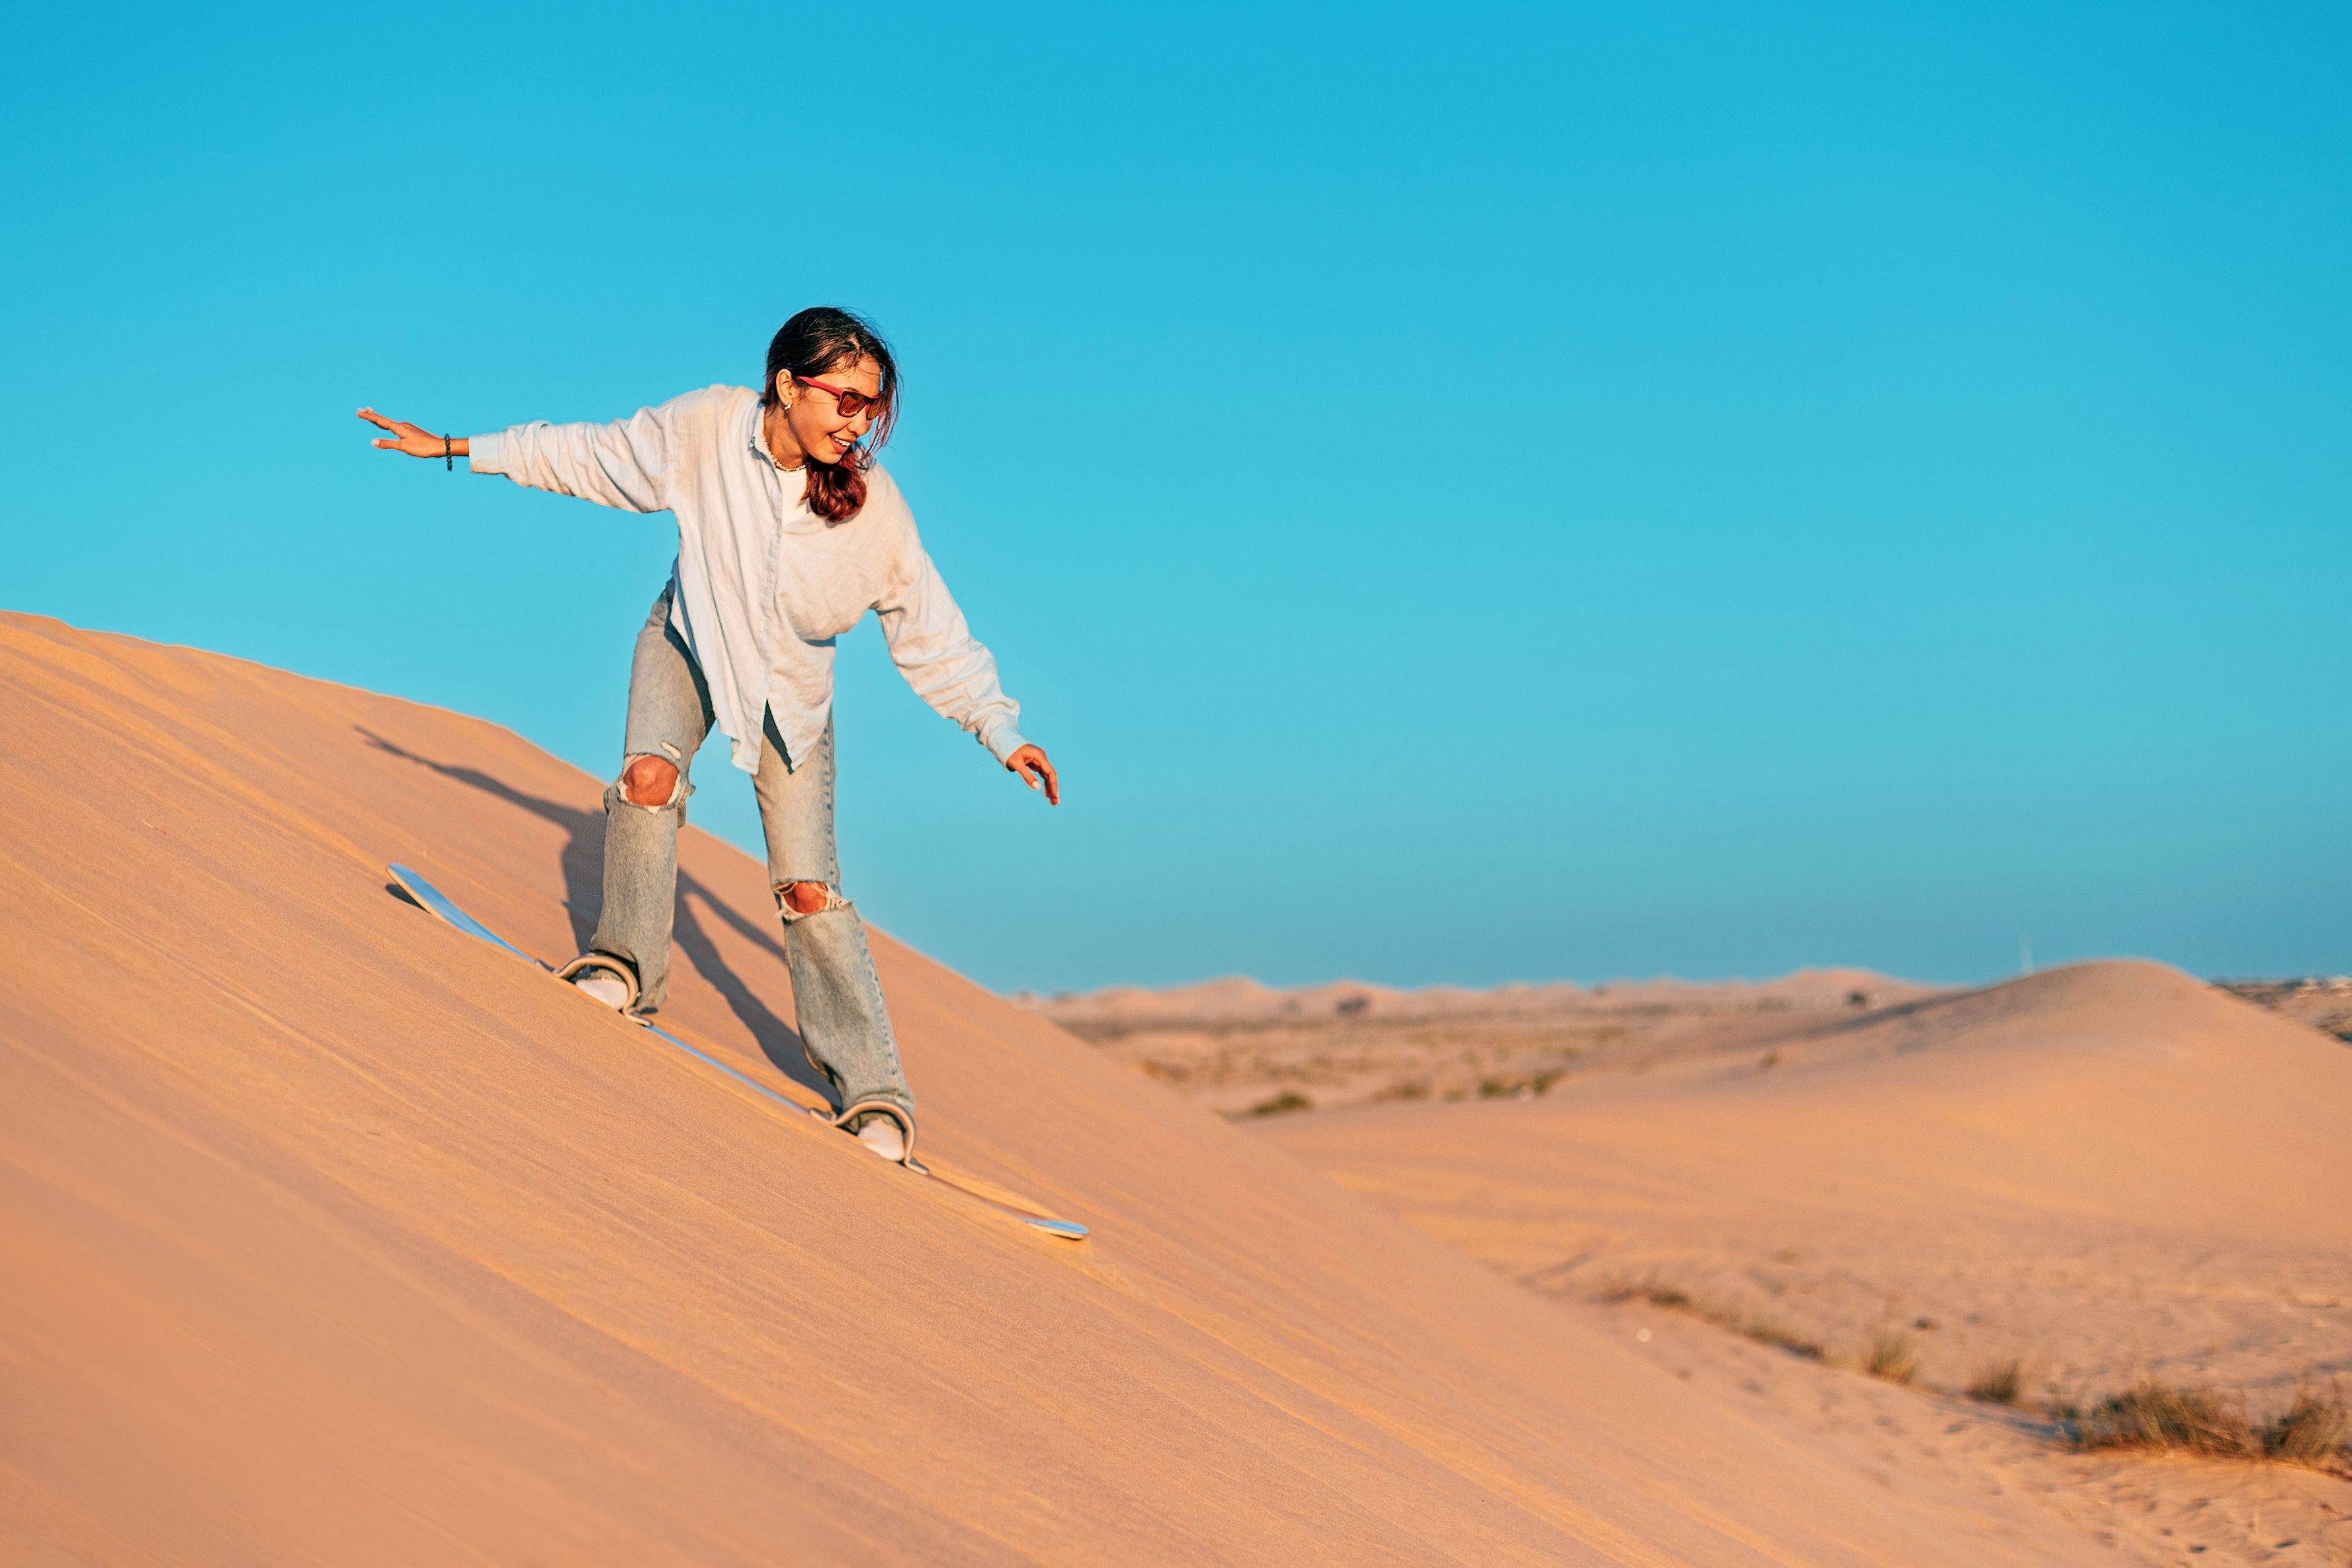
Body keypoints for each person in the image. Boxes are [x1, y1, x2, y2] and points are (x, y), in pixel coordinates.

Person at [359, 306, 1057, 1164]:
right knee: (648, 776)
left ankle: (876, 1096)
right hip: (687, 641)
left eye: (871, 407)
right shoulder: (707, 429)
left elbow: (932, 631)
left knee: (807, 888)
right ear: (788, 384)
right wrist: (461, 448)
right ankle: (623, 967)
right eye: (845, 399)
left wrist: (1000, 727)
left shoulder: (872, 510)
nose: (858, 422)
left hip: (790, 697)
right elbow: (592, 454)